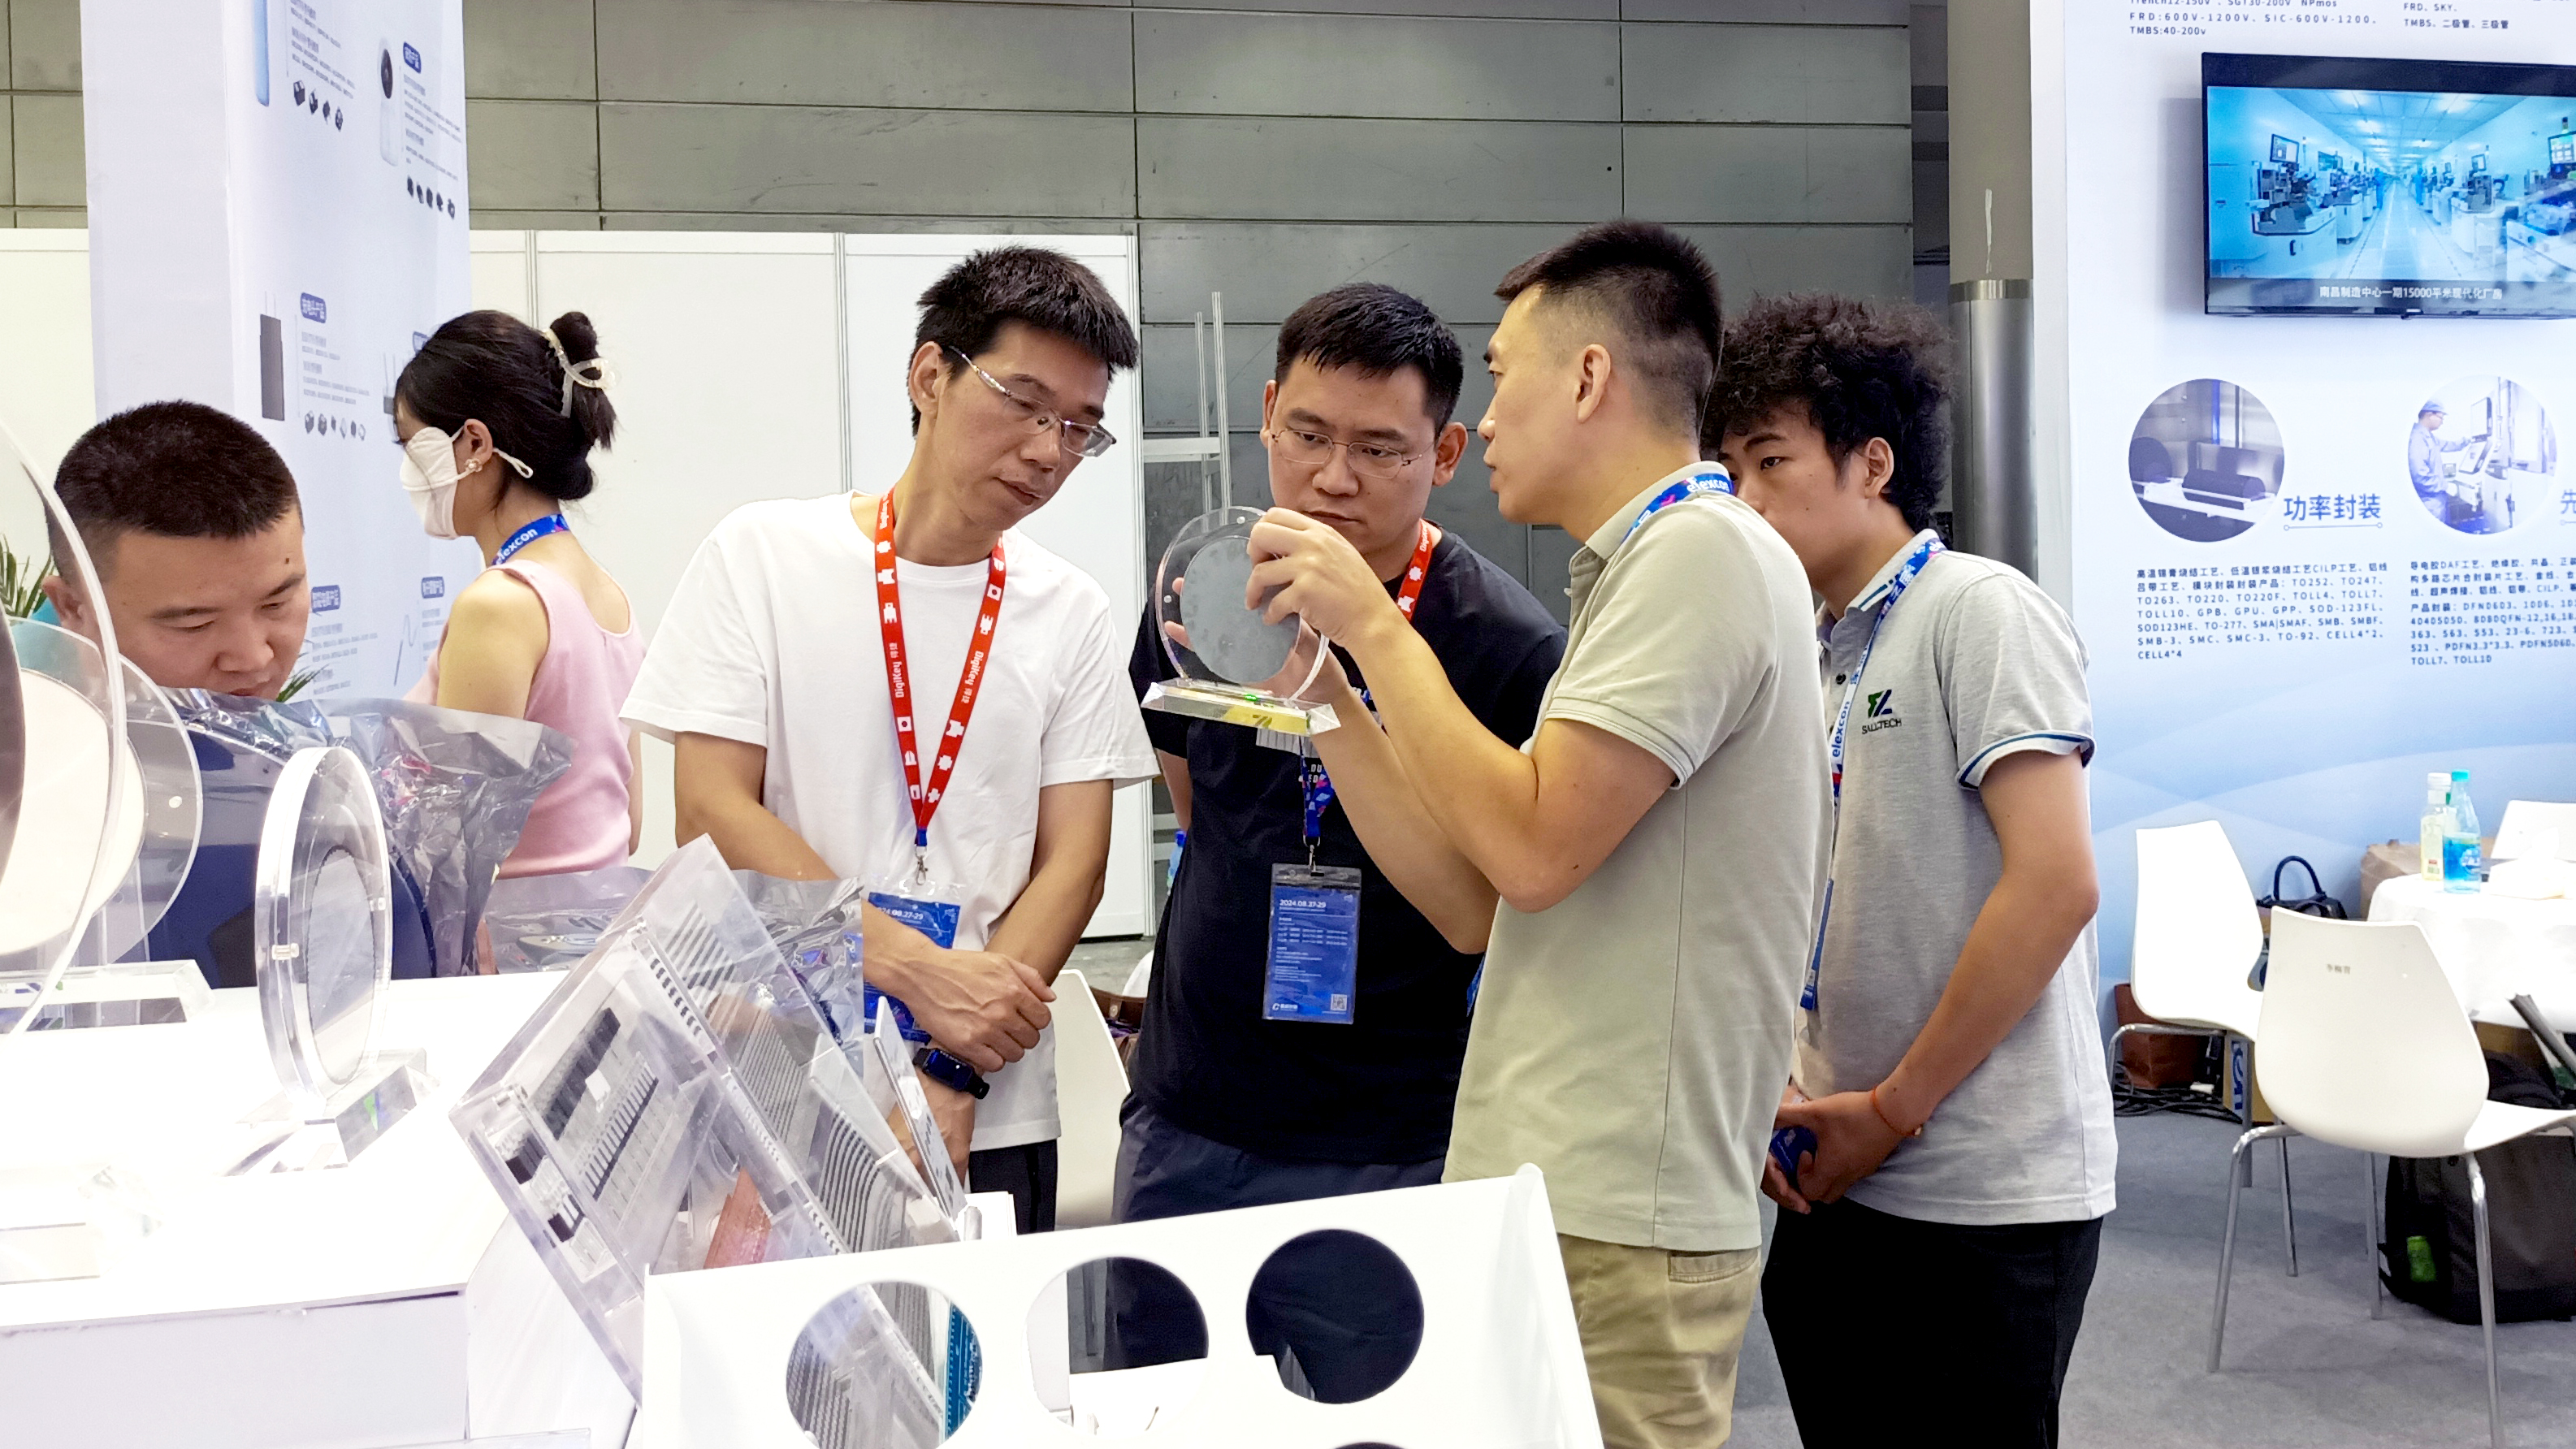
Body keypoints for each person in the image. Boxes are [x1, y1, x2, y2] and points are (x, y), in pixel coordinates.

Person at [1245, 221, 1830, 1447]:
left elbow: (1531, 851)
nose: (1489, 418)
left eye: (1505, 374)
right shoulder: (1653, 563)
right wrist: (1327, 693)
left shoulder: (1700, 555)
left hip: (1619, 1204)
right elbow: (1477, 900)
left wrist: (1376, 628)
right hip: (1566, 1184)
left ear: (1588, 377)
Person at [623, 246, 1154, 1233]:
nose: (1049, 450)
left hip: (986, 1097)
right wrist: (916, 967)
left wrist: (951, 1064)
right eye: (1026, 402)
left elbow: (1075, 864)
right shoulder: (764, 557)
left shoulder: (1068, 610)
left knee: (972, 1332)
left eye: (1080, 427)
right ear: (929, 375)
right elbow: (712, 808)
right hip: (780, 1070)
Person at [1118, 283, 1565, 1395]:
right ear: (1267, 411)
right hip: (1189, 1117)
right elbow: (1198, 810)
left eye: (1379, 449)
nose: (1332, 478)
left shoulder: (1503, 645)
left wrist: (1332, 692)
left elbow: (1473, 913)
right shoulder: (1200, 596)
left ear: (1444, 453)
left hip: (1389, 1143)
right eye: (1308, 435)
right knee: (1164, 1415)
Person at [1708, 295, 2113, 1449]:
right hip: (1831, 1169)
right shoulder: (1810, 647)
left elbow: (2055, 885)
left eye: (1769, 461)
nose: (1743, 499)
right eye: (1728, 470)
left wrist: (1892, 1108)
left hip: (1982, 1189)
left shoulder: (1978, 611)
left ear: (1872, 463)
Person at [396, 309, 645, 880]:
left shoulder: (499, 605)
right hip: (595, 921)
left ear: (474, 443)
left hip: (504, 933)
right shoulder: (609, 595)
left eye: (413, 444)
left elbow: (456, 847)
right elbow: (628, 825)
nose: (408, 470)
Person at [41, 400, 310, 699]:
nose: (254, 659)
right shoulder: (24, 720)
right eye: (195, 625)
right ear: (72, 608)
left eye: (277, 604)